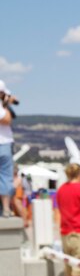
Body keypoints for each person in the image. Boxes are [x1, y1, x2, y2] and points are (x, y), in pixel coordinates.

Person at [0, 80, 15, 218]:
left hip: (4, 143)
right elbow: (6, 119)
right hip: (3, 144)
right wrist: (5, 104)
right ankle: (5, 208)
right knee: (5, 177)